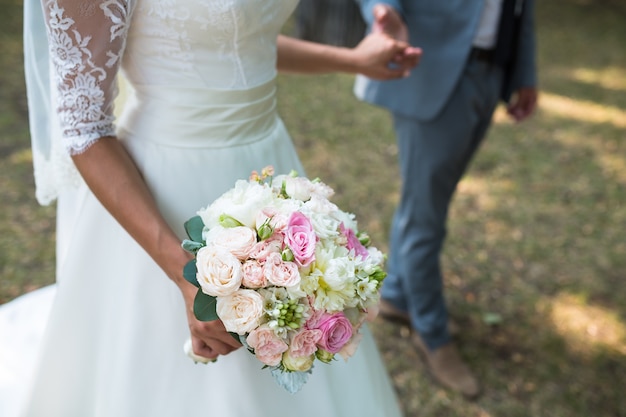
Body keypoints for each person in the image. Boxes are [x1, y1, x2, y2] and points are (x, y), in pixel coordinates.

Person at [0, 1, 421, 416]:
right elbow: (83, 129)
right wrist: (188, 278)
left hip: (268, 165)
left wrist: (352, 60)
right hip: (165, 190)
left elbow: (238, 39)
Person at [354, 0, 538, 399]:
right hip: (432, 67)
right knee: (426, 216)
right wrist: (384, 10)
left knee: (428, 202)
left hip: (493, 70)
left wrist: (524, 72)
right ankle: (432, 336)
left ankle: (401, 295)